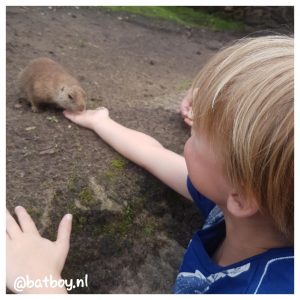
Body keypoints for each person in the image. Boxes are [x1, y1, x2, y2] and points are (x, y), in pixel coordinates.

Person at [6, 35, 294, 294]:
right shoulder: (238, 208)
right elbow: (152, 153)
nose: (186, 138)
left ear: (242, 197)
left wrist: (42, 284)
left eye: (194, 138)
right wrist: (101, 122)